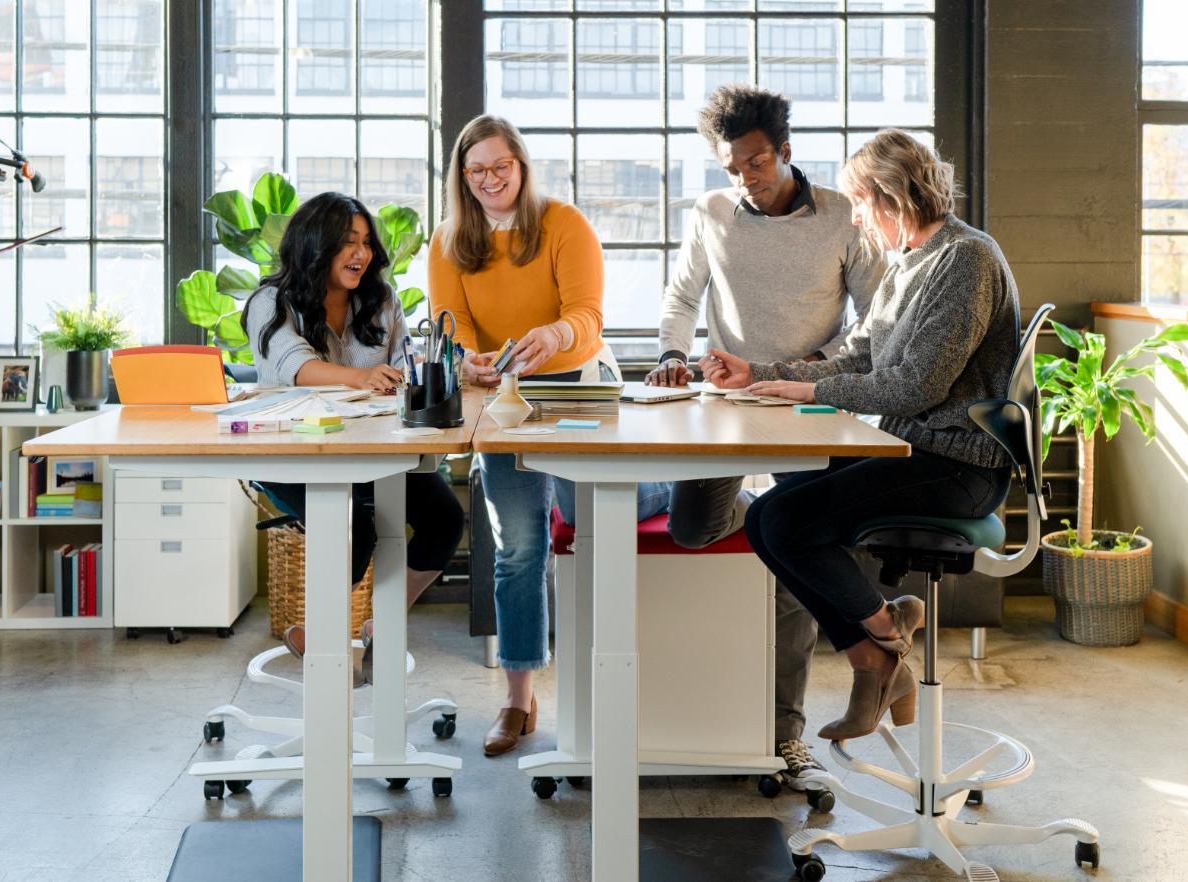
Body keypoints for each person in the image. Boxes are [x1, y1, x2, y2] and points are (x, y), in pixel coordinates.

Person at [705, 129, 1019, 740]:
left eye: (857, 203)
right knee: (771, 515)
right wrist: (763, 375)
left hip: (958, 468)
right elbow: (858, 357)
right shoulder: (909, 263)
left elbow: (913, 387)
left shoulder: (968, 259)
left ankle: (878, 650)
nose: (852, 216)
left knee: (784, 521)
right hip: (914, 451)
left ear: (892, 198)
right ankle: (882, 639)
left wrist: (812, 392)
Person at [644, 84, 886, 791]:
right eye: (731, 168)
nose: (744, 180)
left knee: (799, 561)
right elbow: (682, 298)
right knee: (693, 530)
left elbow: (874, 319)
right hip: (724, 404)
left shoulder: (842, 216)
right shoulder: (712, 213)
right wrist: (669, 355)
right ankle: (766, 514)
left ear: (784, 151)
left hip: (809, 406)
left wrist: (817, 367)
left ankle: (787, 735)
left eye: (754, 164)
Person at [428, 115, 667, 757]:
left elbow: (586, 317)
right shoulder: (449, 239)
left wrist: (554, 337)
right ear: (461, 177)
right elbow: (452, 332)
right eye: (475, 171)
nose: (488, 181)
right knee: (519, 547)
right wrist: (467, 361)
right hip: (502, 405)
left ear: (522, 166)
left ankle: (666, 486)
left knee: (578, 510)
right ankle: (517, 699)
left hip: (575, 388)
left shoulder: (563, 224)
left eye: (500, 167)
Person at [242, 191, 465, 680]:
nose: (361, 254)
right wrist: (361, 377)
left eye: (366, 243)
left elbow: (408, 361)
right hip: (291, 454)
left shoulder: (380, 301)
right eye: (347, 242)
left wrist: (462, 369)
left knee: (445, 520)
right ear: (314, 245)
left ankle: (380, 622)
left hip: (374, 453)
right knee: (357, 522)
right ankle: (319, 635)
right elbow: (294, 367)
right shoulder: (269, 302)